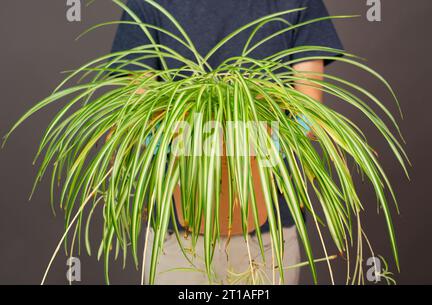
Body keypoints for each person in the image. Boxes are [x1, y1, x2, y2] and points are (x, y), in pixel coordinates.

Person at [112, 0, 343, 284]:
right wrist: (186, 142)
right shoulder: (147, 3)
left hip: (269, 230)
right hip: (176, 231)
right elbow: (141, 110)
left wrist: (253, 143)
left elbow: (310, 112)